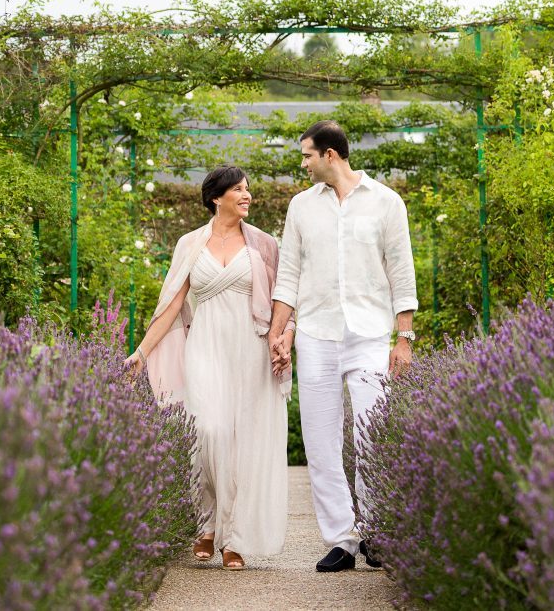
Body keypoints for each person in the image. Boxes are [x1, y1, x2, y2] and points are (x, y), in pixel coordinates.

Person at [125, 165, 294, 571]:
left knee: (240, 445)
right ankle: (206, 525)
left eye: (248, 188)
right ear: (217, 198)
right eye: (238, 189)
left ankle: (232, 537)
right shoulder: (190, 244)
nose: (247, 195)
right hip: (204, 347)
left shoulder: (265, 245)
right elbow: (170, 306)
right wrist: (142, 352)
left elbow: (285, 301)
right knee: (206, 431)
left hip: (250, 350)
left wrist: (285, 338)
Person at [268, 120, 417, 573]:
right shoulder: (301, 207)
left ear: (330, 155)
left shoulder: (386, 203)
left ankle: (375, 530)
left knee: (370, 432)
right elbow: (289, 273)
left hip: (370, 333)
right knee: (320, 438)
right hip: (315, 335)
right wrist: (281, 331)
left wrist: (404, 337)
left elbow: (401, 271)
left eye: (307, 155)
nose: (303, 163)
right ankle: (342, 539)